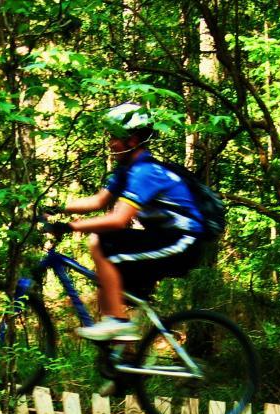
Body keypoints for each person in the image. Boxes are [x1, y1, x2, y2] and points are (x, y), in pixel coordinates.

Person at [45, 102, 206, 340]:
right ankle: (122, 354)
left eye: (115, 137)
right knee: (105, 257)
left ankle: (119, 322)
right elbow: (99, 201)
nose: (110, 143)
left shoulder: (146, 172)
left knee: (102, 243)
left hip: (183, 242)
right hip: (163, 238)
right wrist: (54, 207)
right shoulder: (128, 170)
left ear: (132, 140)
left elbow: (119, 220)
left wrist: (69, 226)